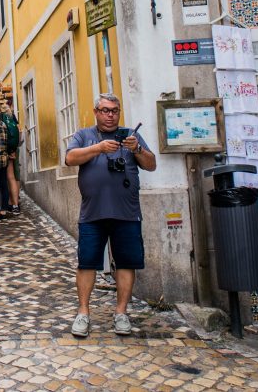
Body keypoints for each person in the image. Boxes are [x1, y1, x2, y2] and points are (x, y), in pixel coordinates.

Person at [65, 93, 155, 338]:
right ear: (96, 112)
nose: (110, 115)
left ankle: (121, 313)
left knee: (126, 262)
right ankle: (83, 313)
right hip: (92, 213)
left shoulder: (131, 135)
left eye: (114, 110)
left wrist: (137, 148)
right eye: (105, 110)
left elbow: (151, 164)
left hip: (127, 213)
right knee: (86, 263)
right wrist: (98, 148)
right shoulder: (84, 135)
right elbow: (70, 158)